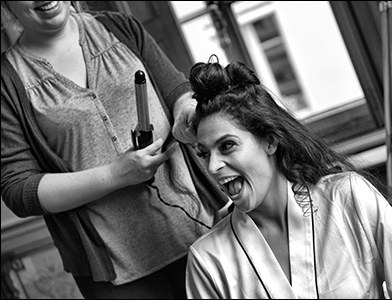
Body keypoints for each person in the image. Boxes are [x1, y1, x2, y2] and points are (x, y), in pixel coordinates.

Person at [1, 2, 229, 299]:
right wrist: (116, 174)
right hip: (117, 274)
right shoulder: (7, 82)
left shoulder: (121, 28)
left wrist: (187, 113)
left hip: (202, 231)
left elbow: (177, 92)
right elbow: (20, 190)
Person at [184, 55, 392, 299]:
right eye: (204, 154)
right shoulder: (208, 259)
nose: (213, 166)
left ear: (270, 142)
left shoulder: (346, 197)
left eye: (227, 146)